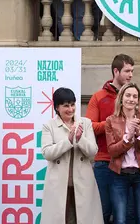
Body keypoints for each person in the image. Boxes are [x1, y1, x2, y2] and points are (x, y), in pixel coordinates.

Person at [86, 54, 140, 224]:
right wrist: (113, 124)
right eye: (127, 71)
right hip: (104, 162)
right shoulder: (98, 97)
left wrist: (127, 127)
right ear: (116, 71)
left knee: (127, 215)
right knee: (103, 212)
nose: (131, 75)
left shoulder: (138, 97)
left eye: (132, 71)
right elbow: (89, 127)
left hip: (130, 165)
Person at [41, 87, 101, 224]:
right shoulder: (48, 126)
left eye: (72, 104)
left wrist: (80, 139)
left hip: (83, 183)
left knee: (83, 219)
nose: (70, 109)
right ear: (57, 107)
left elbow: (93, 152)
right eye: (65, 106)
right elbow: (47, 153)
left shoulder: (85, 123)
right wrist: (68, 141)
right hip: (58, 185)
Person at [106, 83, 140, 224]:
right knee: (120, 219)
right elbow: (112, 151)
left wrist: (139, 133)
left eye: (135, 96)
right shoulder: (110, 120)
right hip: (118, 174)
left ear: (138, 101)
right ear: (121, 98)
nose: (131, 99)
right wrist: (127, 138)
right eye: (128, 95)